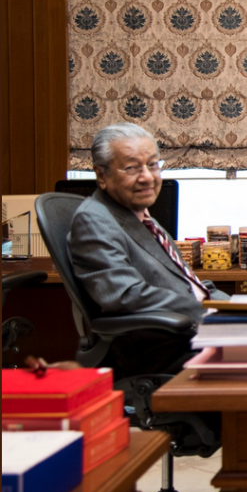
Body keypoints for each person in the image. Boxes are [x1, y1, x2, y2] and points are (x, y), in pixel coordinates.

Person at [69, 123, 228, 376]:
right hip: (160, 351)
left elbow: (187, 284)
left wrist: (245, 310)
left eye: (153, 165)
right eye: (131, 168)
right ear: (101, 175)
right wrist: (211, 313)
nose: (147, 177)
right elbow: (127, 295)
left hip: (187, 338)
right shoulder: (93, 219)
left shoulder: (142, 217)